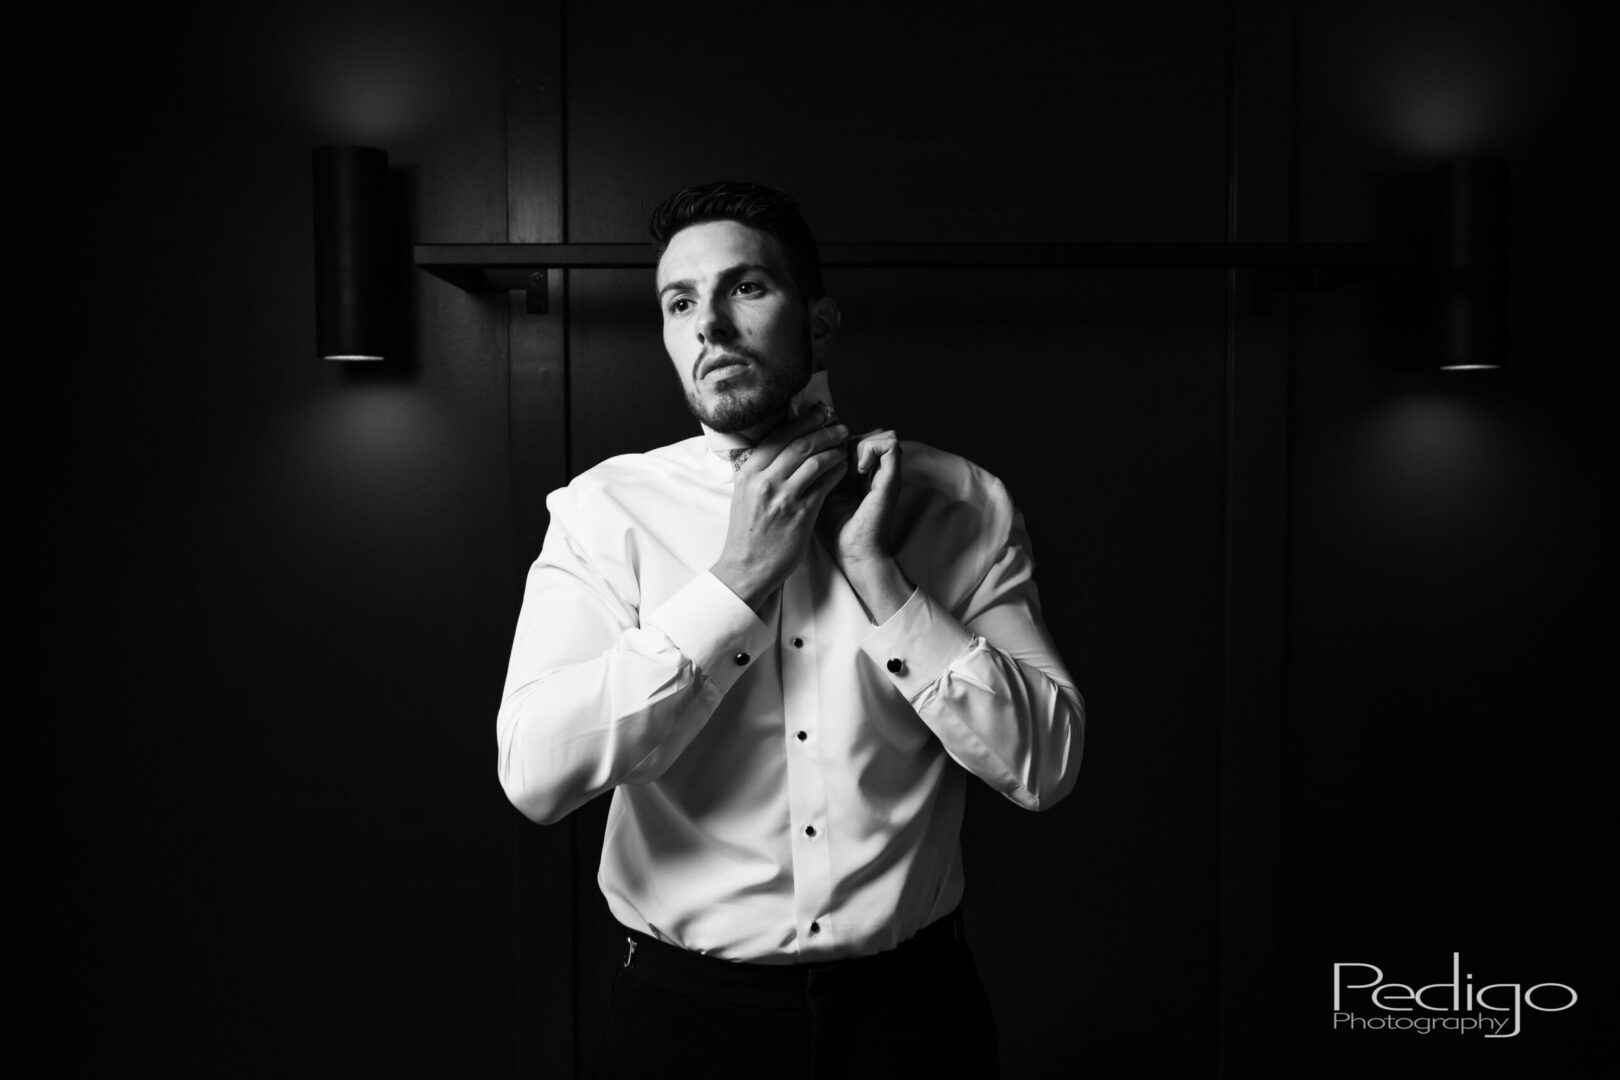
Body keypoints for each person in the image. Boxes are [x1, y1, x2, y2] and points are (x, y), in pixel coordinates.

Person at [496, 180, 1084, 1078]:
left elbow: (1046, 764)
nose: (710, 327)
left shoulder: (958, 504)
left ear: (819, 321)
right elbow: (535, 774)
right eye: (680, 302)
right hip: (682, 1024)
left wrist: (885, 584)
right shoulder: (603, 514)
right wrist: (735, 583)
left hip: (913, 1018)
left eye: (746, 288)